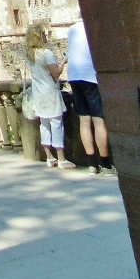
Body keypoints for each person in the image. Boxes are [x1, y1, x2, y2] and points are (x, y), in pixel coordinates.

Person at [67, 18, 117, 176]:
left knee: (84, 120)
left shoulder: (72, 29)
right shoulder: (93, 25)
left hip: (74, 75)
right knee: (98, 120)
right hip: (89, 75)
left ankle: (91, 164)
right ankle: (106, 164)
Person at [25, 23, 74, 169]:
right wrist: (64, 61)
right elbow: (56, 73)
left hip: (38, 93)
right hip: (50, 93)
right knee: (56, 123)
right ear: (39, 36)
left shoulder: (29, 55)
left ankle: (49, 157)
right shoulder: (46, 53)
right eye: (44, 34)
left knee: (44, 124)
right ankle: (61, 158)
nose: (46, 36)